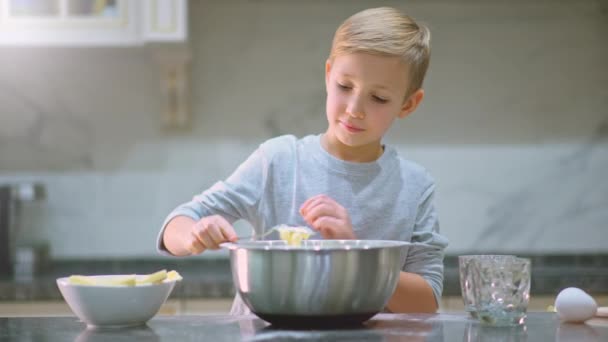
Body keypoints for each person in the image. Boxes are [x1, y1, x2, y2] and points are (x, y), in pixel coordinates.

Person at [157, 6, 449, 314]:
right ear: (328, 75)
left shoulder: (414, 186)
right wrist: (193, 234)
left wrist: (355, 254)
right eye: (344, 86)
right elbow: (175, 225)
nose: (354, 109)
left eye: (378, 98)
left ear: (408, 103)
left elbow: (426, 301)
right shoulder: (279, 161)